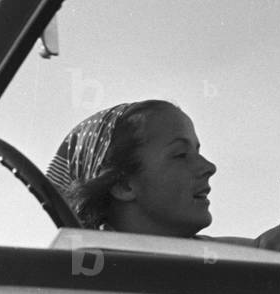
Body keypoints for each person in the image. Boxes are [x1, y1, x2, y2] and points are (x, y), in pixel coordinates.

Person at [46, 100, 217, 237]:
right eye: (180, 154)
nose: (209, 167)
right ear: (123, 184)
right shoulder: (93, 277)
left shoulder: (226, 259)